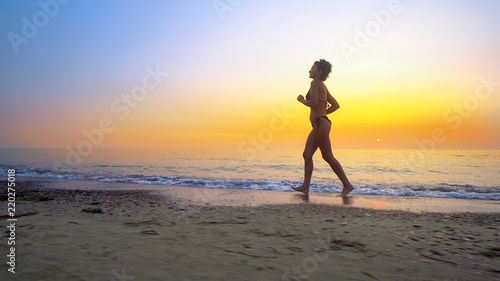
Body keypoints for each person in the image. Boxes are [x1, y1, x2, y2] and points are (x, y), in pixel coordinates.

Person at [292, 59, 354, 197]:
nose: (309, 70)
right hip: (320, 123)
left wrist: (302, 100)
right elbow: (336, 105)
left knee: (327, 156)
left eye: (312, 68)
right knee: (307, 155)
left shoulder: (314, 83)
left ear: (319, 72)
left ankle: (347, 185)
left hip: (320, 123)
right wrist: (323, 113)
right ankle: (305, 187)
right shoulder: (323, 86)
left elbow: (313, 103)